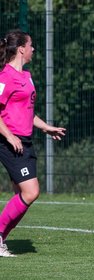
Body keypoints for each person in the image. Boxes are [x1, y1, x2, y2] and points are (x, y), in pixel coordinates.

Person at [0, 30, 66, 257]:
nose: (33, 49)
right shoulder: (4, 77)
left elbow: (27, 112)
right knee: (31, 192)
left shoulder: (26, 76)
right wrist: (9, 136)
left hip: (25, 141)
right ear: (21, 49)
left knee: (23, 195)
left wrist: (46, 127)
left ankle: (1, 240)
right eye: (30, 45)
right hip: (10, 143)